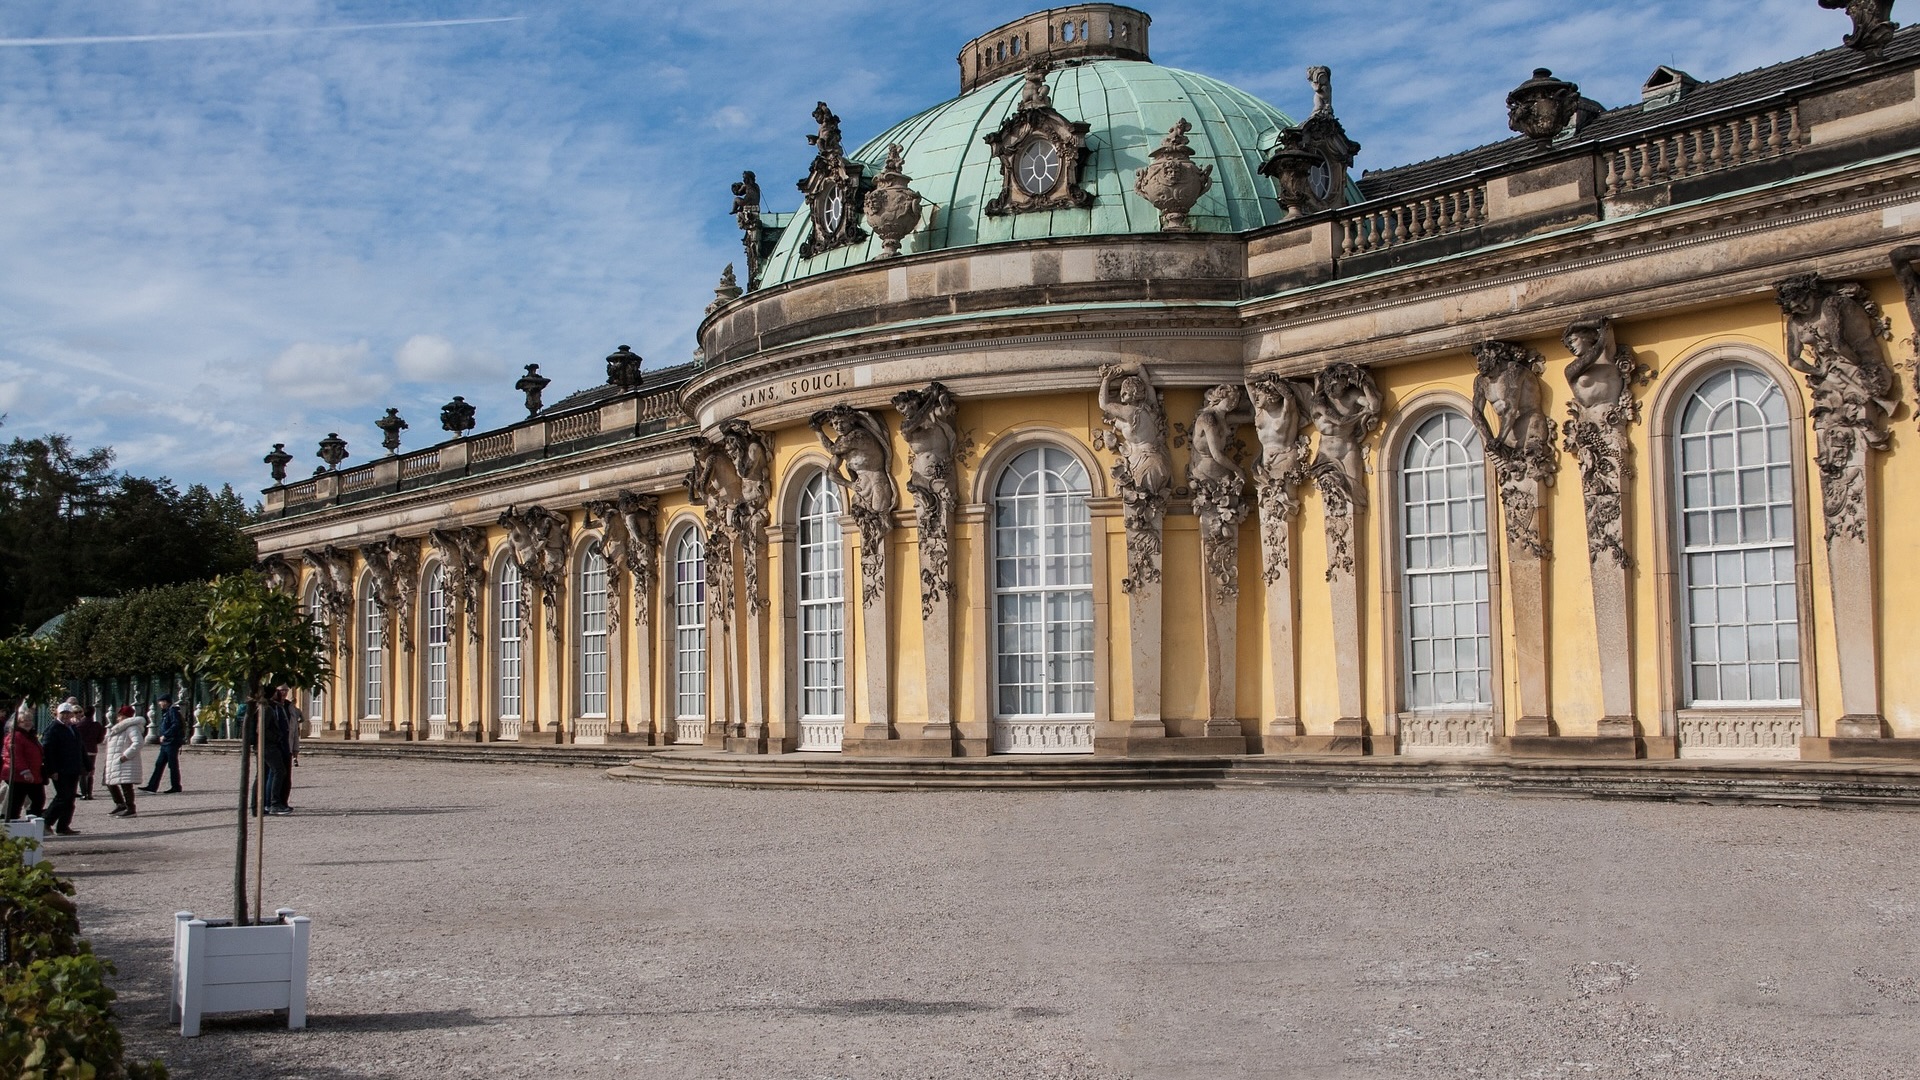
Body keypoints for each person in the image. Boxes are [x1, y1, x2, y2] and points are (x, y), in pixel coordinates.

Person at [40, 704, 87, 835]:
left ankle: (63, 826)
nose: (66, 716)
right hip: (61, 769)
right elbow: (48, 752)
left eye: (68, 713)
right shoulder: (53, 729)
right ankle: (46, 821)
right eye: (63, 713)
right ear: (57, 714)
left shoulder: (72, 728)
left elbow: (80, 748)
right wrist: (52, 770)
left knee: (70, 798)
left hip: (73, 768)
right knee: (63, 797)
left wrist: (86, 766)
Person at [2, 709, 45, 821]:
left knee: (38, 800)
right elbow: (16, 756)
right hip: (19, 775)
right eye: (24, 720)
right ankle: (12, 826)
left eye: (30, 720)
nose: (28, 722)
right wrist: (25, 771)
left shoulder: (29, 736)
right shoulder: (15, 736)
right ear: (17, 723)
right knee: (17, 802)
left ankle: (33, 823)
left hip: (33, 774)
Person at [103, 706, 144, 817]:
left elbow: (138, 742)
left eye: (119, 716)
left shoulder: (131, 727)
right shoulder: (120, 727)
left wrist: (125, 756)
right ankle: (120, 804)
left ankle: (131, 808)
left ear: (123, 716)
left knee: (126, 785)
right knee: (110, 782)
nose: (118, 718)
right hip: (116, 760)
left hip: (124, 760)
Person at [141, 694, 186, 793]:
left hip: (171, 742)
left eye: (161, 701)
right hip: (166, 743)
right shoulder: (167, 712)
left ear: (166, 702)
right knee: (159, 764)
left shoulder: (172, 711)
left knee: (172, 765)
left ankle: (176, 786)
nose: (159, 703)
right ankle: (152, 786)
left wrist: (166, 734)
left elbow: (176, 724)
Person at [77, 705, 106, 800]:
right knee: (90, 771)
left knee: (82, 772)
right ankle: (89, 793)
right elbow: (100, 739)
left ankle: (83, 793)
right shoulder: (97, 725)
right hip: (92, 750)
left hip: (82, 750)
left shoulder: (79, 725)